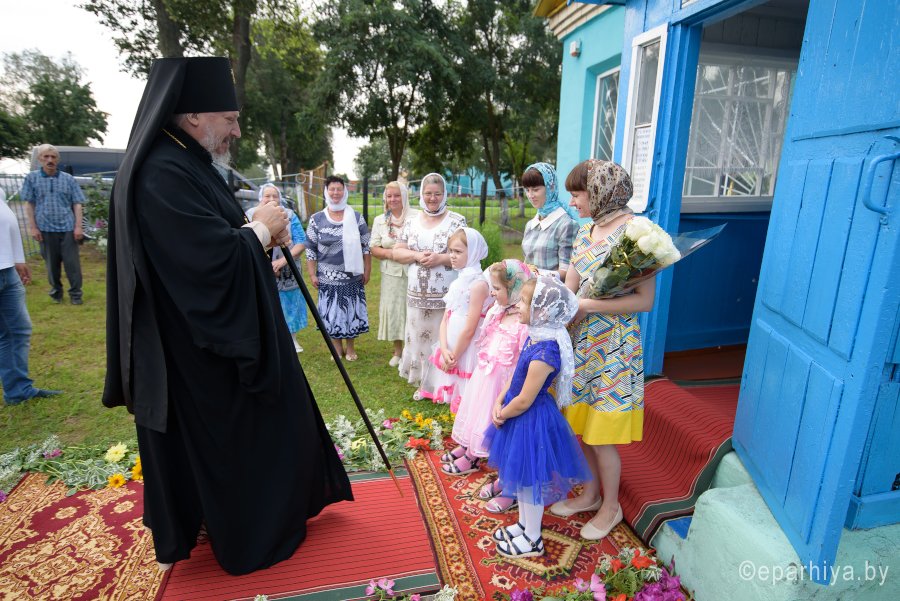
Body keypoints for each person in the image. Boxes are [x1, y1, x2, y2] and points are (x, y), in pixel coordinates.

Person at [102, 56, 352, 575]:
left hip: (207, 338)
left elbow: (219, 232)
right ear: (195, 115)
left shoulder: (185, 161)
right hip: (200, 350)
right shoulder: (161, 173)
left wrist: (259, 229)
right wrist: (259, 229)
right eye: (231, 118)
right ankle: (251, 532)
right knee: (240, 437)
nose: (237, 130)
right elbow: (206, 262)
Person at [551, 159, 655, 541]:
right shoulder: (586, 231)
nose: (572, 201)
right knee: (580, 426)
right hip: (581, 341)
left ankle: (612, 506)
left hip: (614, 347)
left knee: (600, 434)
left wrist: (589, 305)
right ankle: (591, 494)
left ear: (600, 193)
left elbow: (644, 301)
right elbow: (570, 289)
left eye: (577, 194)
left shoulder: (638, 234)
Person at [484, 275, 591, 558]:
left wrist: (502, 414)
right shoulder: (535, 336)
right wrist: (499, 399)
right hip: (517, 415)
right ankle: (523, 525)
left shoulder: (546, 352)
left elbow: (525, 399)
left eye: (524, 301)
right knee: (521, 478)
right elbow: (515, 376)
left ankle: (533, 539)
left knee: (530, 481)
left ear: (542, 311)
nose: (518, 306)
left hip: (531, 420)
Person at [442, 260, 533, 498]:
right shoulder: (497, 311)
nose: (492, 293)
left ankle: (494, 468)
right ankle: (471, 450)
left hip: (503, 381)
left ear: (515, 289)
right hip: (485, 375)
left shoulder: (524, 323)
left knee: (493, 421)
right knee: (477, 414)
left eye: (497, 289)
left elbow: (523, 358)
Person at [392, 173, 466, 395]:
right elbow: (397, 252)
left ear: (444, 194)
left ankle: (442, 382)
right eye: (428, 193)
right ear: (421, 195)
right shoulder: (412, 221)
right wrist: (416, 255)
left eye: (437, 194)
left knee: (441, 336)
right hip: (416, 293)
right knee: (418, 335)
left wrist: (440, 258)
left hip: (445, 294)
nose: (432, 198)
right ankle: (421, 379)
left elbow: (466, 254)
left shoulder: (456, 221)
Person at [1, 188, 63, 406]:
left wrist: (17, 258)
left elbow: (6, 223)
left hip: (7, 269)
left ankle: (18, 390)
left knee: (17, 330)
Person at [421, 227, 491, 411]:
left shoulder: (478, 284)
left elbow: (470, 328)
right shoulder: (457, 281)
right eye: (450, 251)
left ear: (473, 252)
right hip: (451, 340)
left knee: (466, 390)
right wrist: (444, 349)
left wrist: (455, 356)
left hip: (466, 345)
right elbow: (446, 318)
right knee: (451, 384)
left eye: (458, 252)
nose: (452, 256)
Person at [305, 175, 371, 361]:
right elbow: (310, 248)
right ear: (326, 192)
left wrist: (367, 270)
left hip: (352, 276)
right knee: (332, 313)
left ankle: (350, 348)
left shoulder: (356, 217)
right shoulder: (316, 219)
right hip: (327, 276)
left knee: (350, 312)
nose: (335, 193)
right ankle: (337, 349)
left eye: (339, 189)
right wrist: (312, 273)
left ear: (345, 191)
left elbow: (366, 246)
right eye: (332, 189)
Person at [21, 144, 86, 304]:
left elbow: (77, 203)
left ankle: (76, 295)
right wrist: (33, 227)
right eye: (46, 156)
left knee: (72, 264)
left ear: (57, 160)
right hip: (45, 229)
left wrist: (78, 227)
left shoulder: (68, 179)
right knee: (51, 265)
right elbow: (29, 204)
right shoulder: (31, 178)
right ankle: (56, 293)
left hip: (68, 228)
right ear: (40, 159)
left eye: (53, 157)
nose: (50, 160)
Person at [247, 183, 308, 353]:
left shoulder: (289, 215)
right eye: (267, 196)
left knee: (291, 304)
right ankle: (269, 341)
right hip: (261, 268)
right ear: (261, 198)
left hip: (288, 270)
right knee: (264, 303)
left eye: (275, 196)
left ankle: (292, 340)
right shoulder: (250, 215)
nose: (271, 199)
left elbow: (301, 242)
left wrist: (282, 262)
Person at [369, 181, 416, 366]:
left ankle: (414, 349)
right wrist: (393, 254)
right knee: (395, 310)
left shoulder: (417, 217)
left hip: (414, 271)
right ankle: (398, 351)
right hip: (391, 274)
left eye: (397, 195)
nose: (393, 199)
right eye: (389, 196)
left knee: (413, 309)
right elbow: (374, 247)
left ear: (404, 196)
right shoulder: (380, 220)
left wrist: (407, 255)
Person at [520, 162, 578, 281]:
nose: (530, 195)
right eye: (527, 190)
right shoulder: (530, 225)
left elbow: (567, 272)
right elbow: (527, 263)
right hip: (528, 288)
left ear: (551, 187)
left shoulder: (566, 224)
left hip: (551, 289)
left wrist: (537, 275)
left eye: (535, 190)